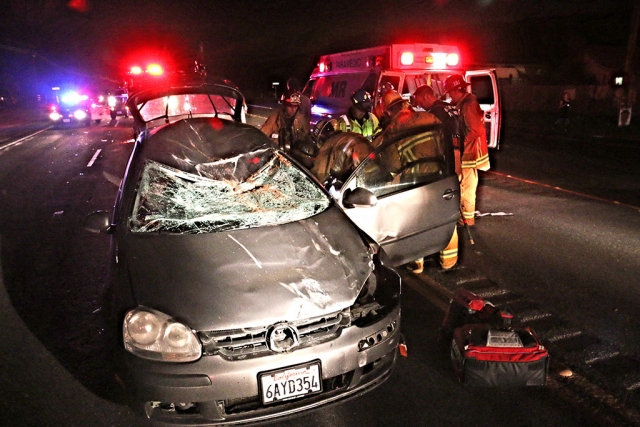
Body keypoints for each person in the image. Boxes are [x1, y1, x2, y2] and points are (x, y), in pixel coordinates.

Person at [409, 84, 461, 273]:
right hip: (455, 160)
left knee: (425, 212)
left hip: (442, 164)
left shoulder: (435, 114)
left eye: (419, 101)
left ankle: (419, 261)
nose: (418, 105)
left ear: (425, 97)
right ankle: (449, 260)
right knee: (449, 210)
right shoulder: (450, 108)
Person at [444, 74, 490, 227]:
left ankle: (466, 221)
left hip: (469, 153)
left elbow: (475, 130)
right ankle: (466, 219)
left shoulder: (468, 105)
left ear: (456, 90)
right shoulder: (466, 102)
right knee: (466, 185)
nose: (450, 97)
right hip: (469, 153)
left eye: (450, 93)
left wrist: (459, 145)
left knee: (466, 186)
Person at [310, 120, 374, 187]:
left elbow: (318, 177)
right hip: (377, 177)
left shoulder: (328, 146)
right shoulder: (353, 135)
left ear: (321, 138)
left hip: (361, 182)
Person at [261, 88, 310, 154]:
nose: (293, 110)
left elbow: (307, 138)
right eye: (290, 106)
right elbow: (261, 137)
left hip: (294, 157)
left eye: (295, 107)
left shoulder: (300, 120)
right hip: (277, 155)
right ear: (284, 105)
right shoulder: (274, 119)